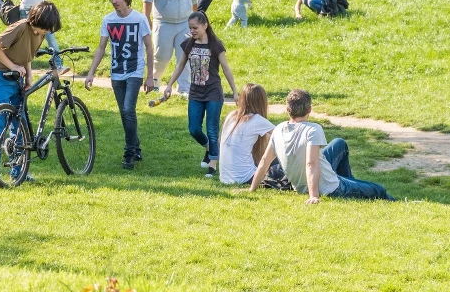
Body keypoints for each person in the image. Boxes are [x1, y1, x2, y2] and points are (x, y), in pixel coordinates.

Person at [247, 89, 393, 200]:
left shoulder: (278, 129)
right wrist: (314, 196)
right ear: (309, 109)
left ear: (287, 110)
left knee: (339, 144)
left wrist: (252, 189)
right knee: (378, 189)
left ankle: (351, 182)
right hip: (329, 187)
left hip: (307, 182)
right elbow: (311, 163)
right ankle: (402, 203)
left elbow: (265, 161)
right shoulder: (313, 129)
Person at [0, 1, 63, 182]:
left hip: (17, 77)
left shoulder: (41, 33)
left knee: (20, 125)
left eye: (45, 30)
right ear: (33, 20)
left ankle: (18, 172)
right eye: (41, 28)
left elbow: (28, 55)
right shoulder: (20, 27)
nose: (42, 32)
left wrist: (28, 76)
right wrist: (12, 65)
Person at [84, 0, 154, 169]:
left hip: (135, 70)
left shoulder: (140, 19)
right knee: (124, 112)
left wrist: (150, 76)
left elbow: (148, 47)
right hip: (116, 71)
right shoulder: (108, 20)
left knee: (128, 109)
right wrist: (91, 72)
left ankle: (129, 152)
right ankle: (136, 146)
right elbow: (101, 48)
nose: (114, 1)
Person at [160, 11, 237, 177]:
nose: (192, 30)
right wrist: (169, 85)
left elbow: (226, 68)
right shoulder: (189, 44)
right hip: (195, 93)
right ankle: (209, 149)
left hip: (213, 93)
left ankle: (213, 165)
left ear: (205, 26)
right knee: (194, 129)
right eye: (190, 28)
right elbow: (180, 65)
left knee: (212, 128)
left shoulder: (215, 45)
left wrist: (235, 92)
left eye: (195, 27)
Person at [143, 0, 199, 98]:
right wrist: (146, 19)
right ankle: (154, 82)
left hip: (185, 23)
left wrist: (195, 19)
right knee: (162, 55)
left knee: (184, 55)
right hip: (163, 22)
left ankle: (184, 88)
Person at [218, 83, 276, 186]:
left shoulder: (231, 116)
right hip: (245, 178)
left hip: (225, 178)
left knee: (267, 136)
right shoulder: (256, 120)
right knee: (279, 165)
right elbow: (282, 135)